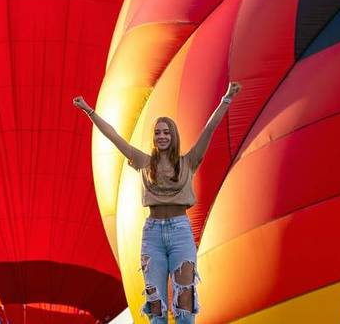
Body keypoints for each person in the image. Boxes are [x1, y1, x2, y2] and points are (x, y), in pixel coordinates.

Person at [73, 81, 240, 324]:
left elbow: (209, 129)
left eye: (166, 132)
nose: (162, 136)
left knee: (185, 304)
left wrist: (227, 99)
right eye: (158, 133)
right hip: (152, 235)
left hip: (180, 232)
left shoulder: (188, 162)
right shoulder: (143, 162)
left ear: (174, 136)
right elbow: (114, 137)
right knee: (156, 307)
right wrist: (89, 111)